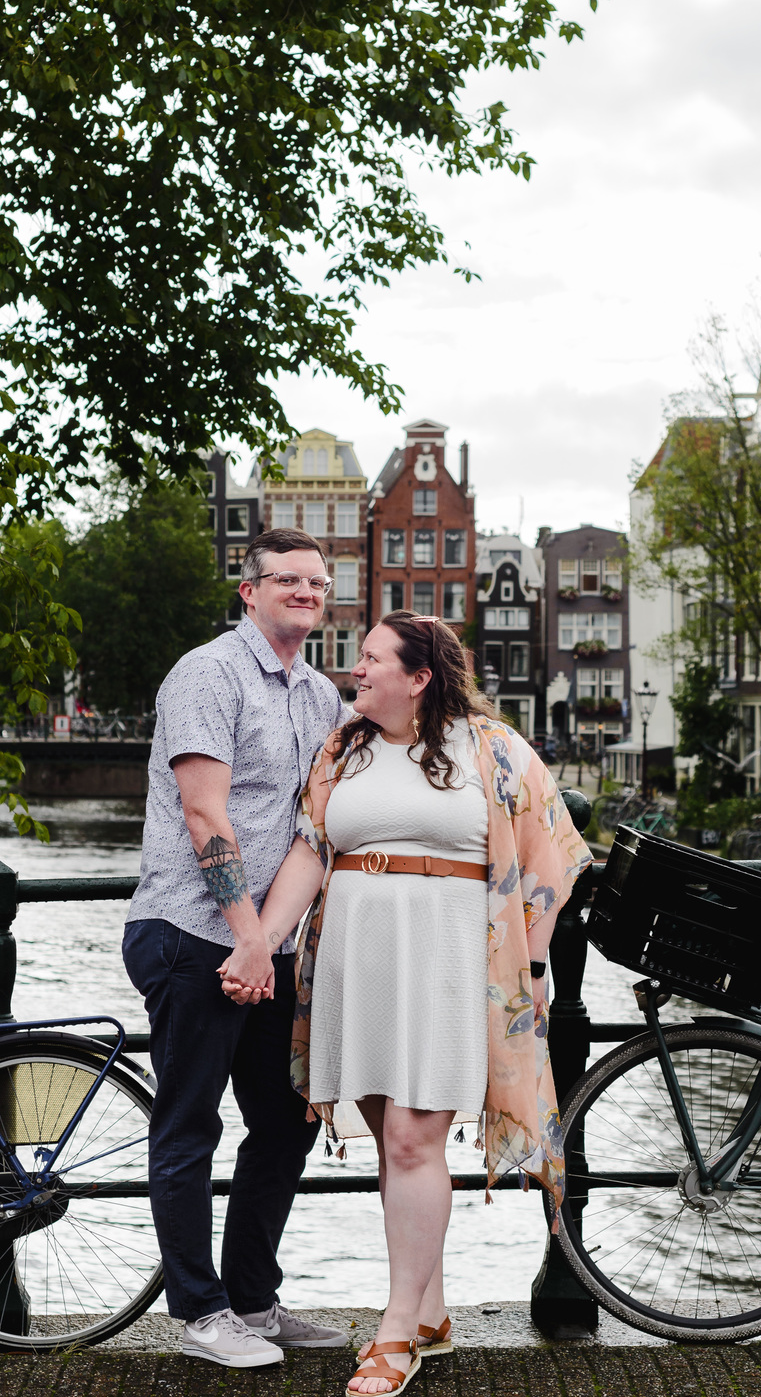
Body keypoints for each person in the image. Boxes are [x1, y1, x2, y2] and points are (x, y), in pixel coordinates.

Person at [224, 612, 592, 1395]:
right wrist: (260, 942)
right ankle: (429, 1311)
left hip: (449, 959)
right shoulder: (343, 749)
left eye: (369, 659)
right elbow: (309, 851)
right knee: (392, 1128)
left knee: (413, 1140)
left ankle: (395, 1335)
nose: (354, 671)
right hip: (355, 961)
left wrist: (530, 959)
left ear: (420, 677)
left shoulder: (492, 749)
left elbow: (551, 854)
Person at [121, 527, 353, 1368]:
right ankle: (200, 1313)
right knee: (188, 1126)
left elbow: (317, 822)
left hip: (268, 946)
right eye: (287, 579)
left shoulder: (320, 696)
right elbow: (204, 815)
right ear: (247, 590)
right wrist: (249, 937)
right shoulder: (206, 674)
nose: (305, 591)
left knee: (287, 1121)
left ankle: (252, 1301)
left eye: (317, 583)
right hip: (192, 933)